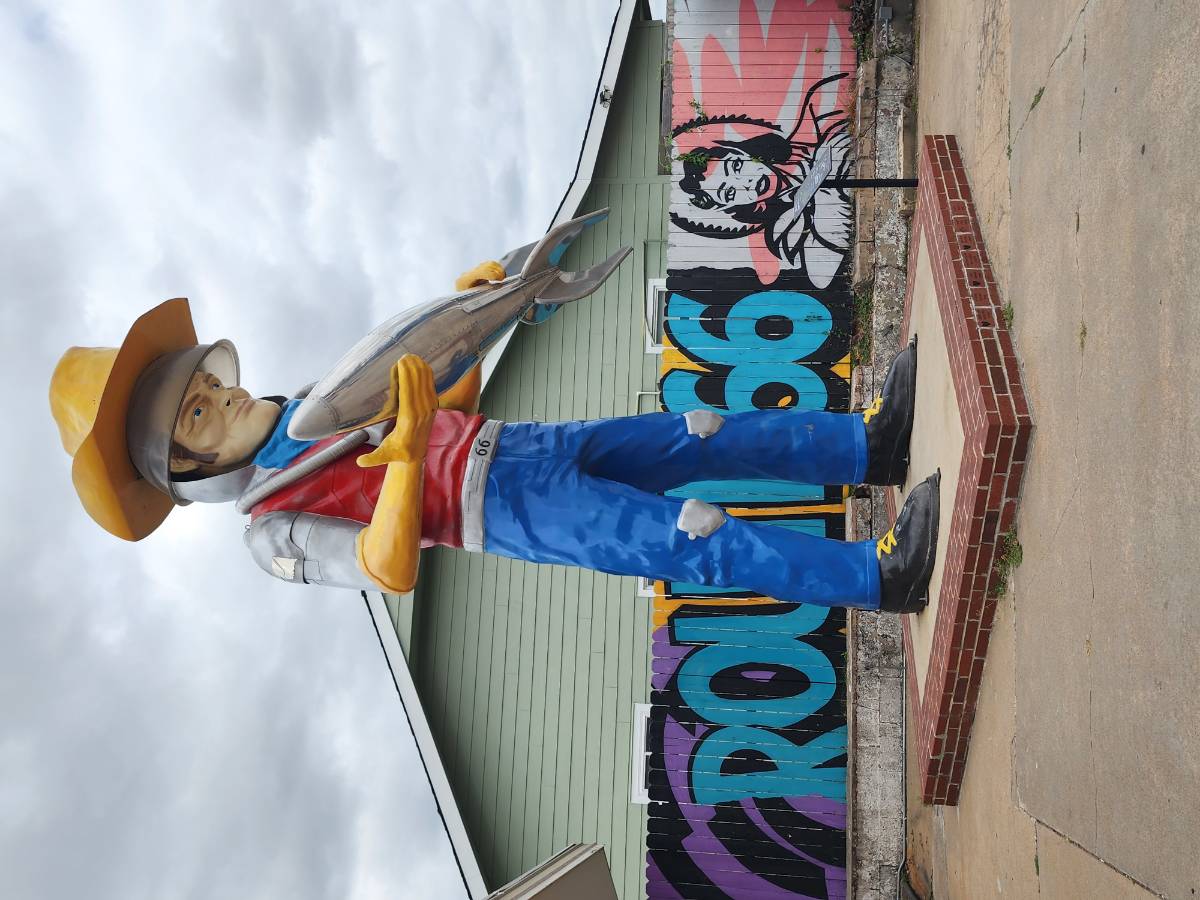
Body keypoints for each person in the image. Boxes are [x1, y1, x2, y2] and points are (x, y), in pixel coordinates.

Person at [49, 263, 939, 614]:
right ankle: (878, 577)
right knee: (694, 534)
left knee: (698, 432)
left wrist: (475, 319)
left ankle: (867, 446)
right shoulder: (268, 526)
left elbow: (444, 404)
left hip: (523, 443)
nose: (226, 395)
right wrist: (403, 462)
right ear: (186, 466)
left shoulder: (316, 401)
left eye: (207, 385)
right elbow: (386, 567)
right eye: (200, 413)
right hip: (506, 510)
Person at [673, 73, 853, 287]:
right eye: (730, 192)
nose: (745, 182)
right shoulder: (782, 227)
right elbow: (821, 275)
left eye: (736, 166)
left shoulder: (814, 117)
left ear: (742, 151)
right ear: (731, 207)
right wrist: (823, 192)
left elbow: (843, 97)